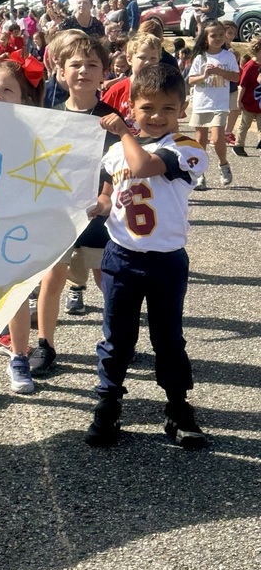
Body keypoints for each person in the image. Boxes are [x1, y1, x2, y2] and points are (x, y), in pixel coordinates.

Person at [84, 64, 209, 449]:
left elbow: (143, 166)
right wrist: (100, 205)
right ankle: (108, 405)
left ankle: (177, 407)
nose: (157, 117)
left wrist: (122, 131)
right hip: (122, 257)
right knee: (116, 337)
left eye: (168, 109)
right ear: (132, 107)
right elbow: (109, 191)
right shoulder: (115, 153)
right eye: (148, 108)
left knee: (167, 337)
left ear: (182, 109)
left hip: (166, 260)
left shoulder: (187, 147)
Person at [30, 34, 123, 376]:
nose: (83, 71)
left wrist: (106, 196)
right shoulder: (50, 117)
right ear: (60, 71)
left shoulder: (113, 120)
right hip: (59, 213)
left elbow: (121, 164)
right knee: (52, 277)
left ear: (104, 74)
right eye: (75, 65)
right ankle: (45, 344)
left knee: (106, 279)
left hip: (100, 215)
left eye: (92, 65)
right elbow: (37, 164)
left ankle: (118, 341)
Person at [0, 61, 45, 405]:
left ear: (24, 100)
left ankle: (19, 359)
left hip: (17, 228)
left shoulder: (33, 135)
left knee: (16, 297)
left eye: (7, 89)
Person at [188, 19, 239, 190]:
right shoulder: (200, 58)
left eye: (221, 35)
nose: (218, 38)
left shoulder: (228, 56)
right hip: (202, 104)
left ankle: (223, 165)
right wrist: (204, 75)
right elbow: (191, 80)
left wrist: (220, 71)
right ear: (205, 38)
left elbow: (236, 77)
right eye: (213, 35)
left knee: (217, 138)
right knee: (200, 140)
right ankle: (200, 174)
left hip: (220, 104)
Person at [231, 37, 261, 155]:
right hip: (248, 102)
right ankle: (238, 145)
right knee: (244, 125)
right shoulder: (250, 66)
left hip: (259, 102)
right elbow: (242, 85)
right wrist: (239, 101)